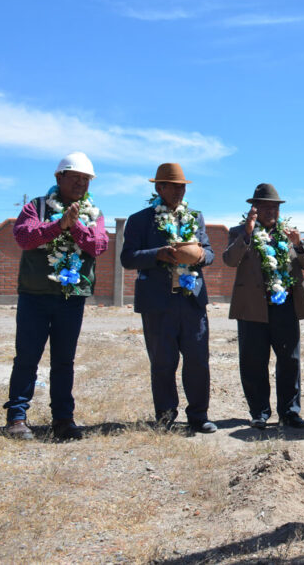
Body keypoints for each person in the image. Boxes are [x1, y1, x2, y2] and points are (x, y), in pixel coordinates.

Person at [3, 152, 109, 440]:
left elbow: (98, 246)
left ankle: (63, 419)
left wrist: (74, 225)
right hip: (35, 296)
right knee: (27, 357)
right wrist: (58, 224)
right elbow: (24, 237)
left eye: (86, 179)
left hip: (71, 298)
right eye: (75, 177)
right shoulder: (36, 207)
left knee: (64, 361)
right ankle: (17, 417)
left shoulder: (94, 213)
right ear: (59, 178)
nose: (81, 183)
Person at [120, 163, 216, 433]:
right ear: (159, 188)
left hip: (191, 300)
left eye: (182, 187)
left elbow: (209, 252)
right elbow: (127, 258)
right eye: (173, 187)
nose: (179, 191)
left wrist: (201, 256)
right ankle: (165, 416)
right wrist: (157, 255)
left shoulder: (194, 217)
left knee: (198, 360)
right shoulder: (140, 220)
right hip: (158, 303)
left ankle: (199, 415)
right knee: (163, 362)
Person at [223, 184, 304, 430]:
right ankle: (259, 412)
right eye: (265, 206)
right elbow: (229, 260)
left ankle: (289, 413)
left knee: (290, 361)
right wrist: (247, 234)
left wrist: (299, 244)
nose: (270, 211)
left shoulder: (289, 233)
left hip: (285, 306)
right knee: (253, 362)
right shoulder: (239, 232)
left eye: (274, 207)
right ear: (254, 208)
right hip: (252, 308)